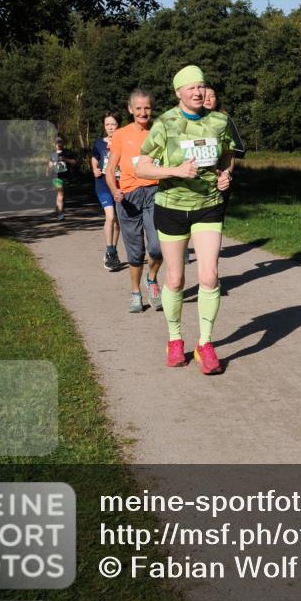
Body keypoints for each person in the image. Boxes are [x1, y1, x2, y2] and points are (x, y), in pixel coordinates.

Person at [137, 65, 234, 375]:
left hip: (208, 205)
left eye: (201, 86)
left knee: (209, 276)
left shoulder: (219, 121)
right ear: (178, 92)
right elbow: (142, 167)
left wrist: (227, 174)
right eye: (191, 87)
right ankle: (175, 339)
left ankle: (205, 344)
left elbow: (229, 154)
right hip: (172, 206)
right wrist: (175, 171)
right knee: (176, 279)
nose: (198, 91)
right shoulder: (165, 124)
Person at [105, 90, 163, 314]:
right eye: (138, 108)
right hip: (128, 196)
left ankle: (152, 280)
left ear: (152, 109)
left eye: (146, 108)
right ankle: (135, 293)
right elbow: (110, 169)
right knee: (135, 251)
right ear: (130, 110)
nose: (143, 112)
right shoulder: (120, 134)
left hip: (155, 191)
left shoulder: (159, 131)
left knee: (158, 247)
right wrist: (115, 190)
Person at [91, 111, 123, 271]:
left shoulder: (124, 142)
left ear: (119, 125)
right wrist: (95, 169)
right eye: (107, 125)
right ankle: (110, 251)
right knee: (110, 216)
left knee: (116, 220)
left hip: (119, 185)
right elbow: (95, 158)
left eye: (113, 124)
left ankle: (113, 251)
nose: (110, 128)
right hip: (103, 185)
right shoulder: (99, 144)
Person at [47, 136, 76, 220]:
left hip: (66, 177)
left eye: (60, 142)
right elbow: (50, 165)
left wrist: (65, 159)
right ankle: (60, 214)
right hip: (56, 177)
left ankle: (59, 209)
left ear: (63, 143)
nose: (58, 144)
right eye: (56, 142)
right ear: (53, 144)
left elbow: (74, 162)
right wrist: (48, 170)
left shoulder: (67, 152)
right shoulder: (53, 154)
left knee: (64, 196)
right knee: (61, 195)